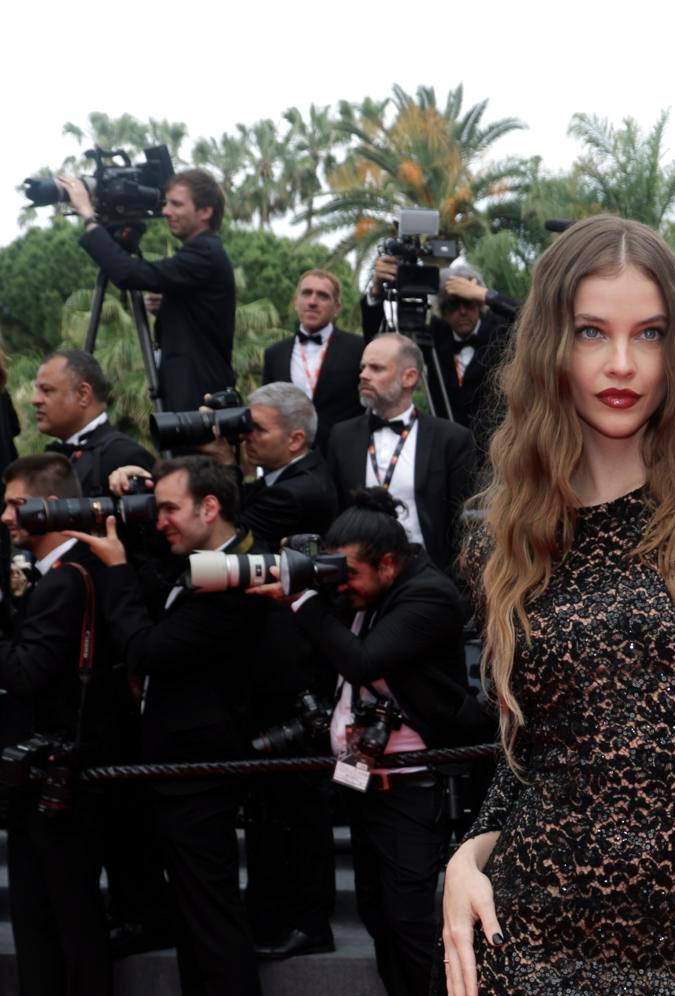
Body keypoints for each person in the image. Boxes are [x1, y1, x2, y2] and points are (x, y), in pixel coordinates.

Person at [438, 215, 675, 996]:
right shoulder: (507, 540)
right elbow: (531, 755)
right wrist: (465, 856)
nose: (620, 364)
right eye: (589, 332)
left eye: (648, 334)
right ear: (549, 345)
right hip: (535, 944)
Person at [251, 487, 492, 996]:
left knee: (410, 922)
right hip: (361, 779)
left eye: (351, 574)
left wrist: (305, 598)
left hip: (412, 787)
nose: (345, 585)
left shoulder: (427, 594)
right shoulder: (364, 593)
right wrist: (313, 582)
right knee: (377, 916)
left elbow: (362, 661)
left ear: (387, 563)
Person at [66, 456, 263, 996]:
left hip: (201, 768)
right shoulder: (208, 560)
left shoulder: (241, 572)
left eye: (170, 509)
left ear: (211, 506)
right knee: (195, 912)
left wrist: (114, 570)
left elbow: (147, 648)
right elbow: (165, 589)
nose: (160, 522)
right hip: (181, 764)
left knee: (211, 913)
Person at [0, 454, 119, 996]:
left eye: (16, 504)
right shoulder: (65, 574)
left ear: (53, 507)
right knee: (44, 913)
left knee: (62, 917)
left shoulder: (67, 580)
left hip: (61, 774)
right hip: (48, 770)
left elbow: (26, 674)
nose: (5, 516)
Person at [61, 168, 236, 410]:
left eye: (176, 204)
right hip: (194, 394)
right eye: (166, 203)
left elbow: (129, 273)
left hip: (198, 400)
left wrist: (89, 216)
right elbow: (200, 320)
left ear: (206, 211)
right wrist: (169, 309)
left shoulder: (205, 252)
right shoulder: (203, 251)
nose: (165, 211)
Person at [327, 333, 475, 573]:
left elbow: (462, 523)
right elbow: (334, 513)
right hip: (358, 578)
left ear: (409, 377)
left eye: (376, 368)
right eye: (363, 367)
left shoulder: (451, 439)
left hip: (429, 576)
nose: (364, 375)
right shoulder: (341, 436)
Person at [362, 257, 517, 455]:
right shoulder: (434, 335)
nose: (462, 311)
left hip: (497, 448)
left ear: (479, 305)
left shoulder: (501, 330)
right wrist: (376, 290)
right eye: (453, 304)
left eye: (469, 303)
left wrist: (487, 295)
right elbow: (378, 344)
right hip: (446, 447)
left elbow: (533, 320)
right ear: (442, 309)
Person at [263, 269, 364, 451]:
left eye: (323, 296)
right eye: (306, 293)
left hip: (341, 456)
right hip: (286, 458)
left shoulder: (358, 348)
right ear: (296, 302)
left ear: (337, 308)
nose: (312, 302)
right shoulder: (274, 354)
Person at [33, 348, 154, 496]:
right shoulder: (50, 458)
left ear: (83, 395)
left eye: (46, 391)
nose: (35, 400)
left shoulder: (126, 456)